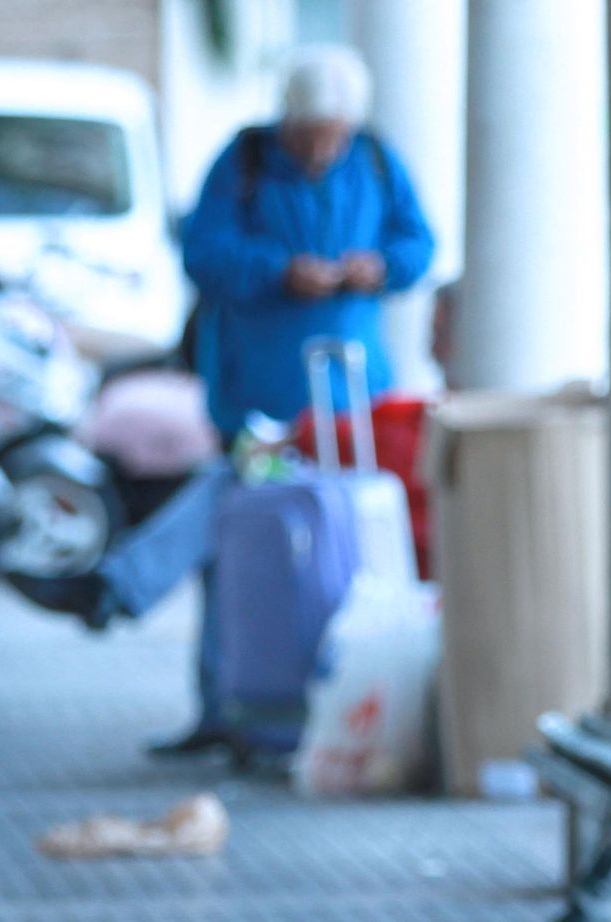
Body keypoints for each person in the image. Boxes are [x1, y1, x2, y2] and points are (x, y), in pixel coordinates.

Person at [151, 45, 435, 757]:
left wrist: (379, 267)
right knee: (238, 542)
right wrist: (280, 271)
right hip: (259, 398)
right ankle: (226, 702)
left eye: (332, 134)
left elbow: (418, 244)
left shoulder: (375, 160)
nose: (321, 148)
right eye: (309, 133)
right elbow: (203, 252)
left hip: (352, 404)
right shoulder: (243, 163)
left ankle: (324, 699)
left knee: (342, 546)